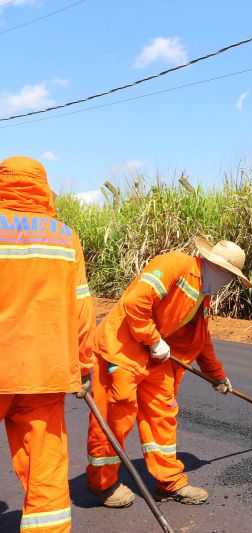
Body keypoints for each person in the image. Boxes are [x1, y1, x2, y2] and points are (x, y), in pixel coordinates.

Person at [86, 237, 252, 507]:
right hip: (122, 350)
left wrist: (217, 376)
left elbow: (200, 340)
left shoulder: (203, 295)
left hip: (155, 358)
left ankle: (169, 482)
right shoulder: (174, 265)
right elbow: (135, 304)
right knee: (117, 415)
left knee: (163, 416)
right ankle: (103, 484)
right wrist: (153, 340)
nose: (227, 284)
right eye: (229, 277)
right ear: (216, 267)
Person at [0, 156, 96, 532]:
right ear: (43, 186)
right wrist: (84, 368)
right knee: (46, 475)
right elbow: (82, 310)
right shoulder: (65, 236)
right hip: (45, 372)